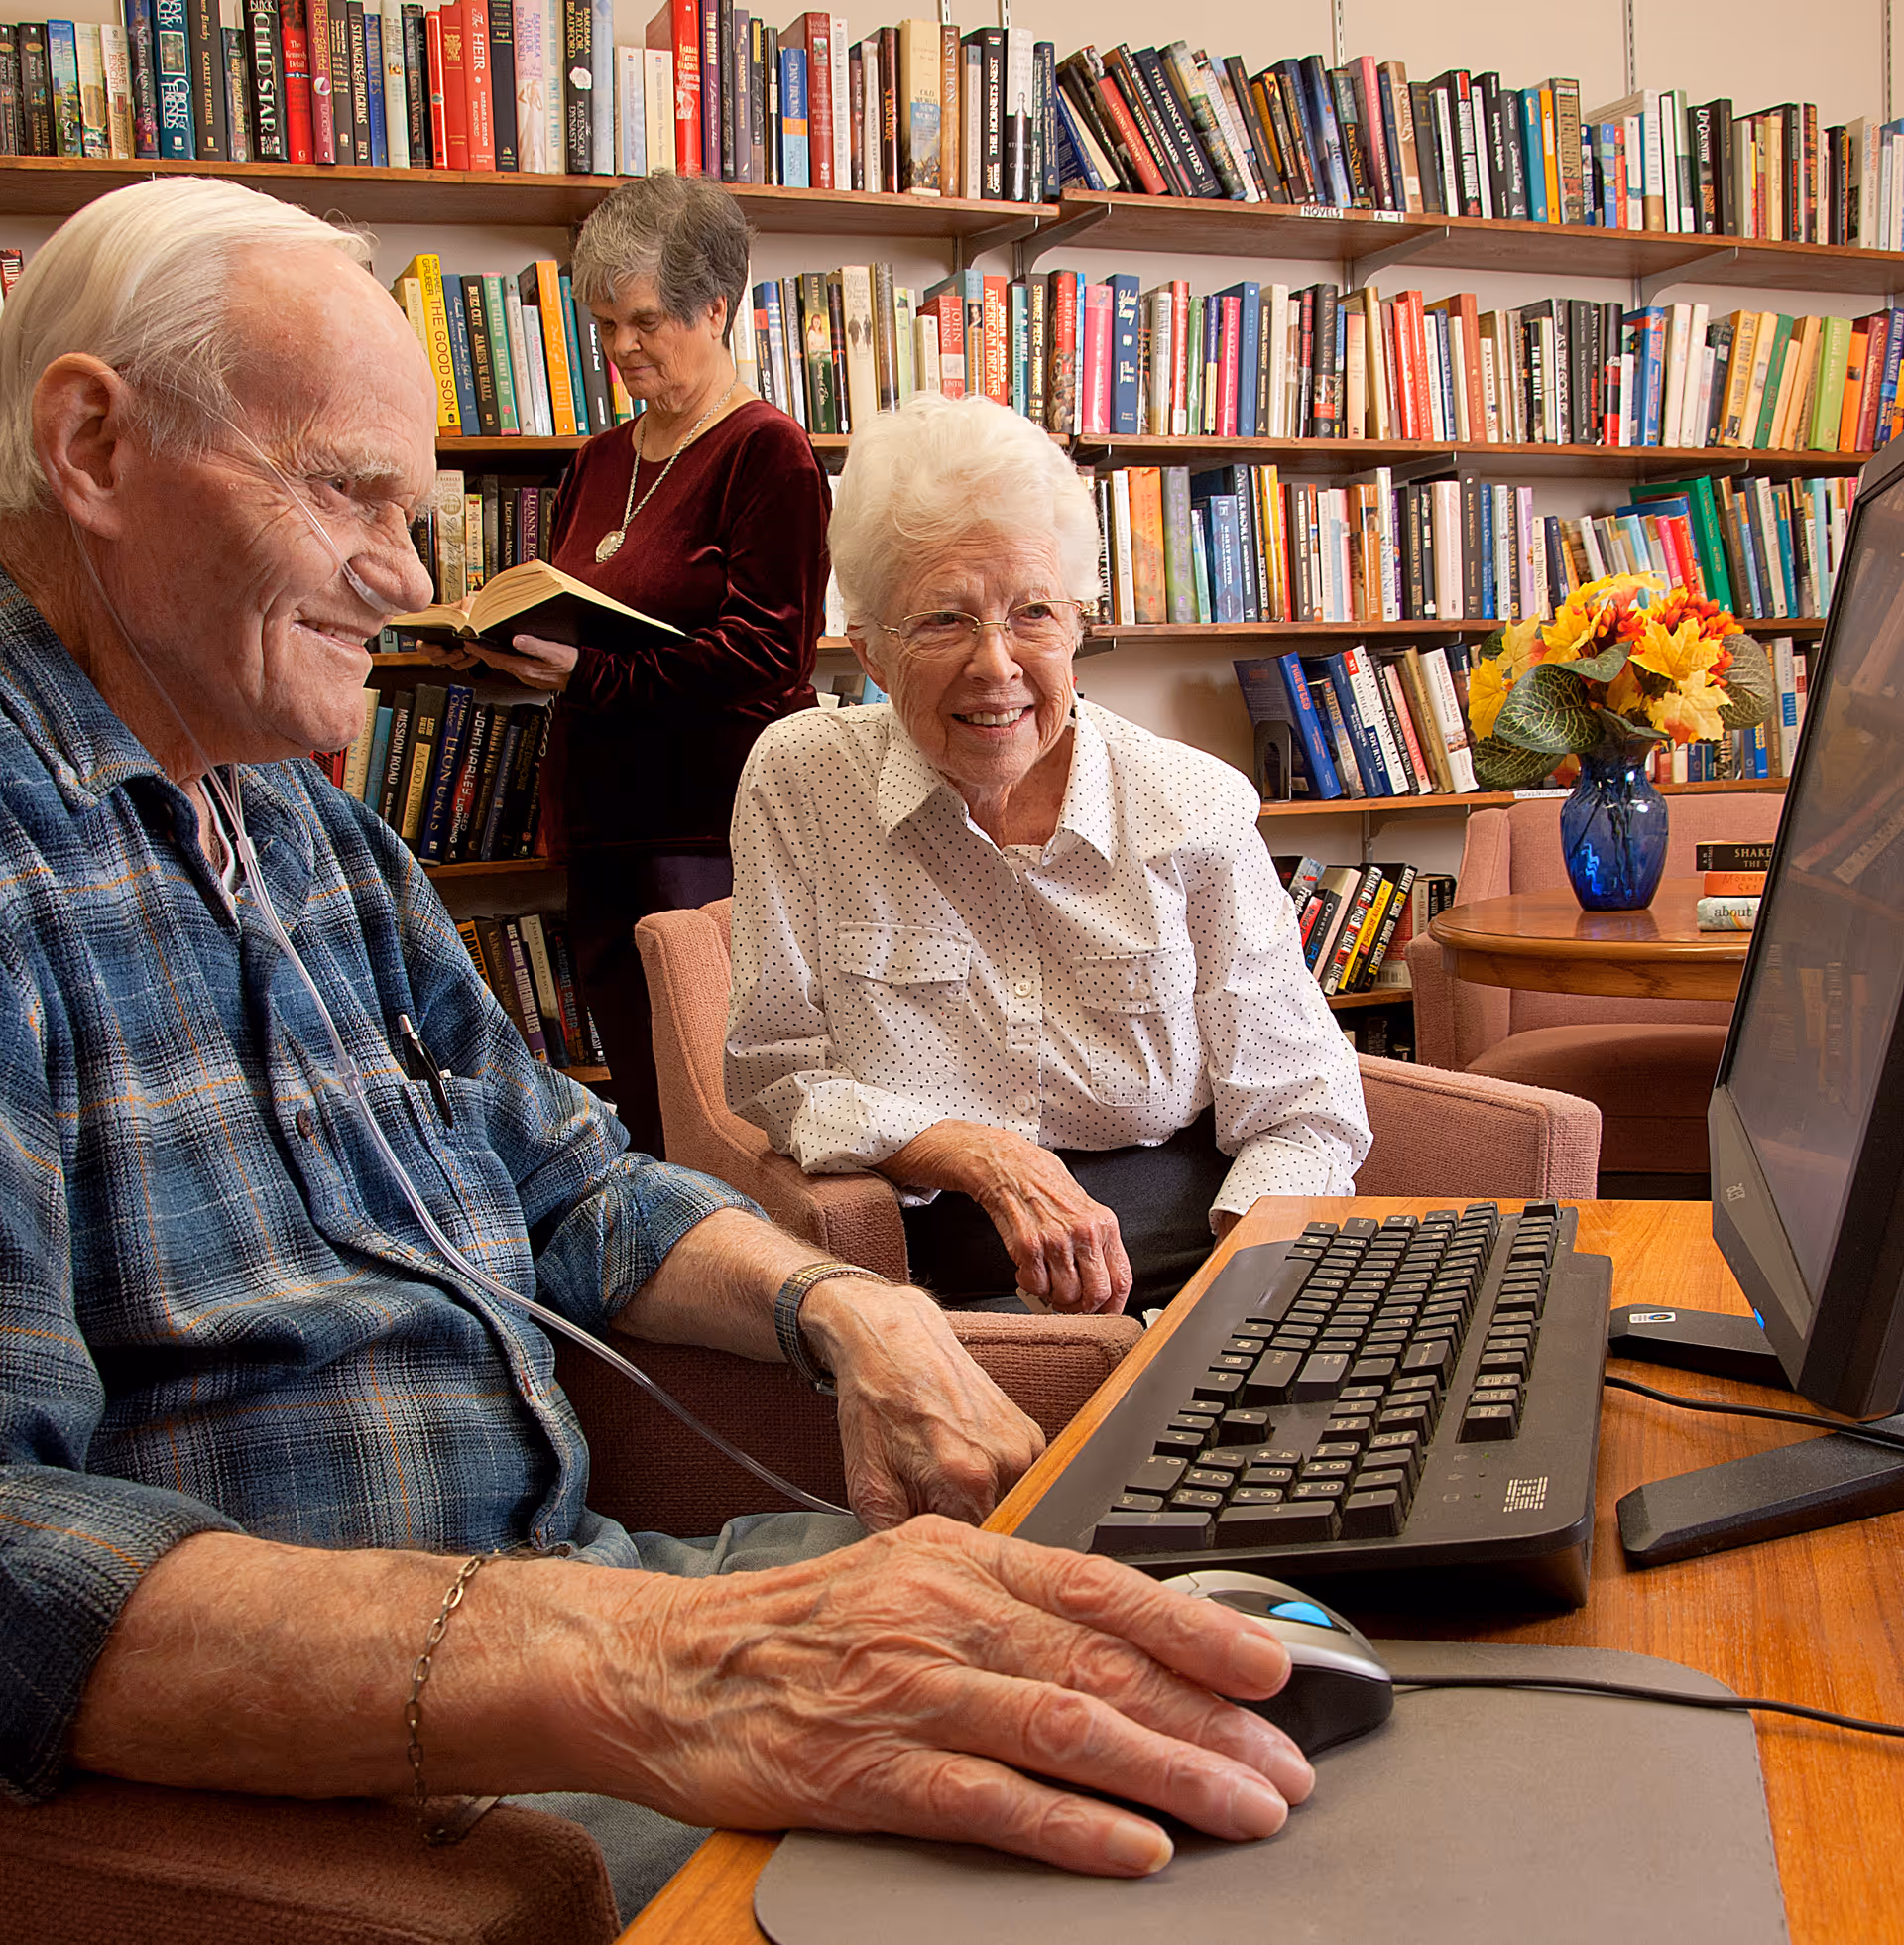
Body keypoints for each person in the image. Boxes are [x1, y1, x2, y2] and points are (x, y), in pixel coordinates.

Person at [0, 179, 1314, 1923]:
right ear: (90, 447)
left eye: (416, 510)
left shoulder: (316, 838)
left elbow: (572, 1180)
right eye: (347, 493)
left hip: (590, 1583)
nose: (407, 583)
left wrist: (847, 1310)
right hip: (412, 1749)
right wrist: (645, 1660)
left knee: (1252, 1660)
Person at [726, 393, 1372, 1316]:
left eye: (1033, 612)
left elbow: (1303, 1109)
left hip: (1199, 1250)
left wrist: (1229, 1306)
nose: (997, 665)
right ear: (868, 650)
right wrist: (982, 1156)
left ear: (1077, 624)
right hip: (937, 1279)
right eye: (943, 621)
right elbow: (775, 1070)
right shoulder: (801, 783)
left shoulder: (1191, 802)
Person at [428, 174, 831, 1158]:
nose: (618, 349)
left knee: (721, 1112)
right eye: (603, 323)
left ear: (716, 307)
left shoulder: (766, 450)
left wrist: (586, 678)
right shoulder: (599, 456)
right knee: (648, 1107)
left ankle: (749, 1290)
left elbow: (771, 657)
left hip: (706, 831)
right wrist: (508, 645)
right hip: (603, 826)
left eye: (644, 322)